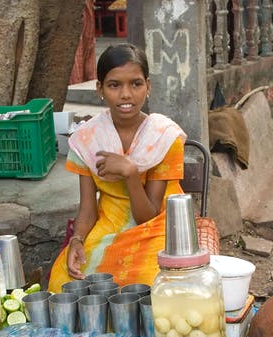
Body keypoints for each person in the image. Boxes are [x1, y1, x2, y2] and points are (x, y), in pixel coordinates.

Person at [48, 43, 187, 292]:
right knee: (63, 283)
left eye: (136, 84)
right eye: (114, 85)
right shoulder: (87, 139)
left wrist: (131, 172)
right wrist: (77, 241)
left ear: (148, 86)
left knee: (147, 285)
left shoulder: (164, 137)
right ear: (100, 89)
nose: (126, 94)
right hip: (109, 227)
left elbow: (148, 215)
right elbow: (88, 210)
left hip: (159, 228)